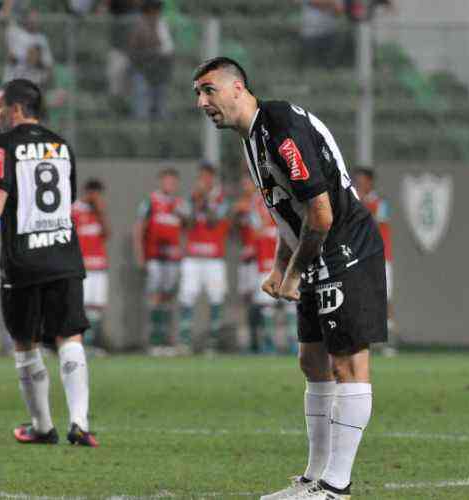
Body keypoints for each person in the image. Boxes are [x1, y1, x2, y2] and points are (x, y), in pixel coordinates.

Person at [193, 57, 387, 499]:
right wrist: (281, 267)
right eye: (198, 94)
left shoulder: (279, 128)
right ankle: (313, 479)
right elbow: (292, 211)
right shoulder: (252, 137)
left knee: (348, 364)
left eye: (208, 90)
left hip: (345, 248)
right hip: (317, 248)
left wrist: (294, 271)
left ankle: (336, 486)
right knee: (312, 362)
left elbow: (320, 212)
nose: (202, 102)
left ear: (238, 88)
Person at [0, 79, 97, 446]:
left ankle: (42, 427)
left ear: (17, 109)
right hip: (65, 254)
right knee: (70, 336)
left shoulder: (1, 144)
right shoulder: (62, 145)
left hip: (23, 260)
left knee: (25, 342)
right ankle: (80, 423)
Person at [133, 167, 186, 355]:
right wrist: (140, 256)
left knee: (168, 298)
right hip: (154, 257)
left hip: (172, 258)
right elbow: (139, 228)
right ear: (161, 182)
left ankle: (166, 342)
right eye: (167, 181)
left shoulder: (179, 203)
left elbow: (187, 227)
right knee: (155, 296)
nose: (170, 185)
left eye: (173, 181)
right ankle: (155, 343)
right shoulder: (150, 201)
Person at [178, 162, 230, 354]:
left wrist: (205, 201)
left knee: (216, 298)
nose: (204, 180)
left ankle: (212, 343)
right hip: (192, 257)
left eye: (208, 177)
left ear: (213, 179)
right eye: (202, 177)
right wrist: (195, 202)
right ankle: (184, 342)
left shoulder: (221, 199)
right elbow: (187, 223)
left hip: (214, 258)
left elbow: (214, 221)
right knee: (187, 296)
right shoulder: (189, 198)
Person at [249, 188, 299, 355]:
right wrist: (265, 224)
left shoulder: (289, 194)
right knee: (267, 306)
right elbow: (254, 233)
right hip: (265, 263)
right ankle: (268, 344)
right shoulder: (256, 202)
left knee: (291, 304)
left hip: (289, 262)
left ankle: (293, 342)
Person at [354, 167, 397, 357]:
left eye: (361, 180)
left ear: (370, 182)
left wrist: (361, 202)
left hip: (381, 257)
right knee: (361, 298)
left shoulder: (381, 202)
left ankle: (388, 342)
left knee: (384, 299)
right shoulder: (353, 201)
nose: (358, 184)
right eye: (356, 180)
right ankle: (364, 342)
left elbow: (376, 220)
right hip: (360, 257)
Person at [72, 178, 111, 357]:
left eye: (98, 193)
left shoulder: (99, 212)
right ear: (86, 192)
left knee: (96, 307)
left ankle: (91, 344)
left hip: (100, 265)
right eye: (93, 192)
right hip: (82, 266)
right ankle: (79, 345)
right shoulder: (75, 210)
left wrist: (101, 212)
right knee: (82, 306)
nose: (96, 196)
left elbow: (107, 234)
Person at [127, 0, 174, 120]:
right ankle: (140, 125)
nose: (156, 13)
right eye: (153, 10)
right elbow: (133, 48)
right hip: (142, 68)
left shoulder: (162, 25)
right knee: (141, 99)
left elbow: (168, 49)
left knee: (160, 99)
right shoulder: (139, 25)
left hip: (159, 67)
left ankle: (160, 121)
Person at [232, 173, 262, 353]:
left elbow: (264, 228)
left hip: (261, 259)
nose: (245, 187)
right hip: (246, 259)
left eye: (248, 183)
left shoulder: (261, 202)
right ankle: (248, 340)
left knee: (262, 301)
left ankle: (261, 339)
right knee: (246, 299)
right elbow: (235, 231)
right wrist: (236, 217)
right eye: (243, 183)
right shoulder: (240, 205)